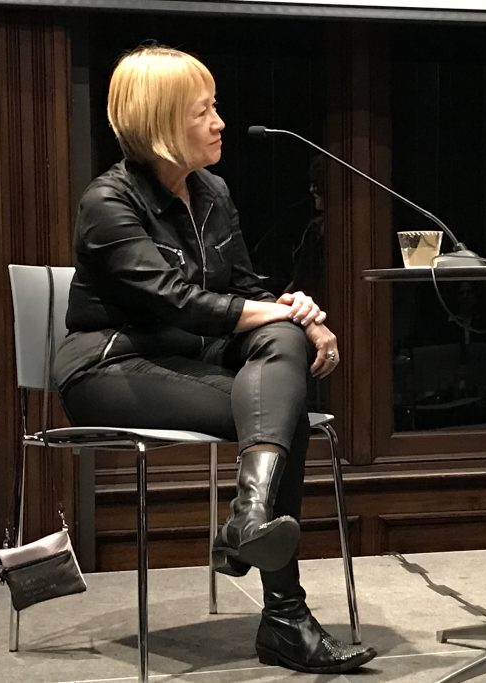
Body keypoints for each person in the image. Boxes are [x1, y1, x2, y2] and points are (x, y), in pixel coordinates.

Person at [53, 45, 377, 673]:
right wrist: (281, 315)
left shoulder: (213, 192)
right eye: (203, 111)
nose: (220, 122)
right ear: (162, 124)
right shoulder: (108, 202)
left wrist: (301, 314)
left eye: (215, 107)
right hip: (109, 369)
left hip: (187, 359)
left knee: (283, 346)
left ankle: (249, 518)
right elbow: (178, 302)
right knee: (279, 413)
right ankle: (283, 612)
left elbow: (246, 290)